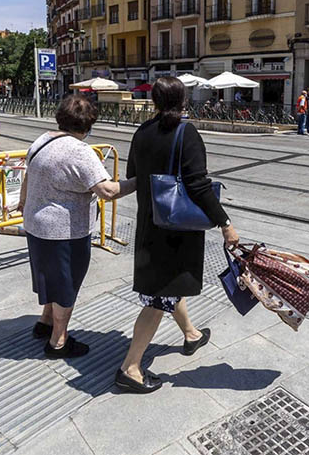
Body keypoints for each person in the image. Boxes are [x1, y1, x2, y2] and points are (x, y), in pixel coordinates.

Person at [116, 77, 239, 393]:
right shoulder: (186, 133)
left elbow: (134, 177)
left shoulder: (142, 132)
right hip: (175, 231)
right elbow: (197, 185)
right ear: (183, 100)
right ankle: (130, 368)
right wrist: (224, 223)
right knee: (159, 299)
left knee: (169, 285)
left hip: (149, 227)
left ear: (155, 101)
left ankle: (191, 334)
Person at [17, 94, 136, 358]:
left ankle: (45, 322)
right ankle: (58, 341)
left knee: (50, 278)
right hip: (64, 232)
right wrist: (139, 181)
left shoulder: (42, 140)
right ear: (88, 124)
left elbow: (28, 174)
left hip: (36, 225)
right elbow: (107, 190)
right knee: (66, 285)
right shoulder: (81, 151)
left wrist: (22, 201)